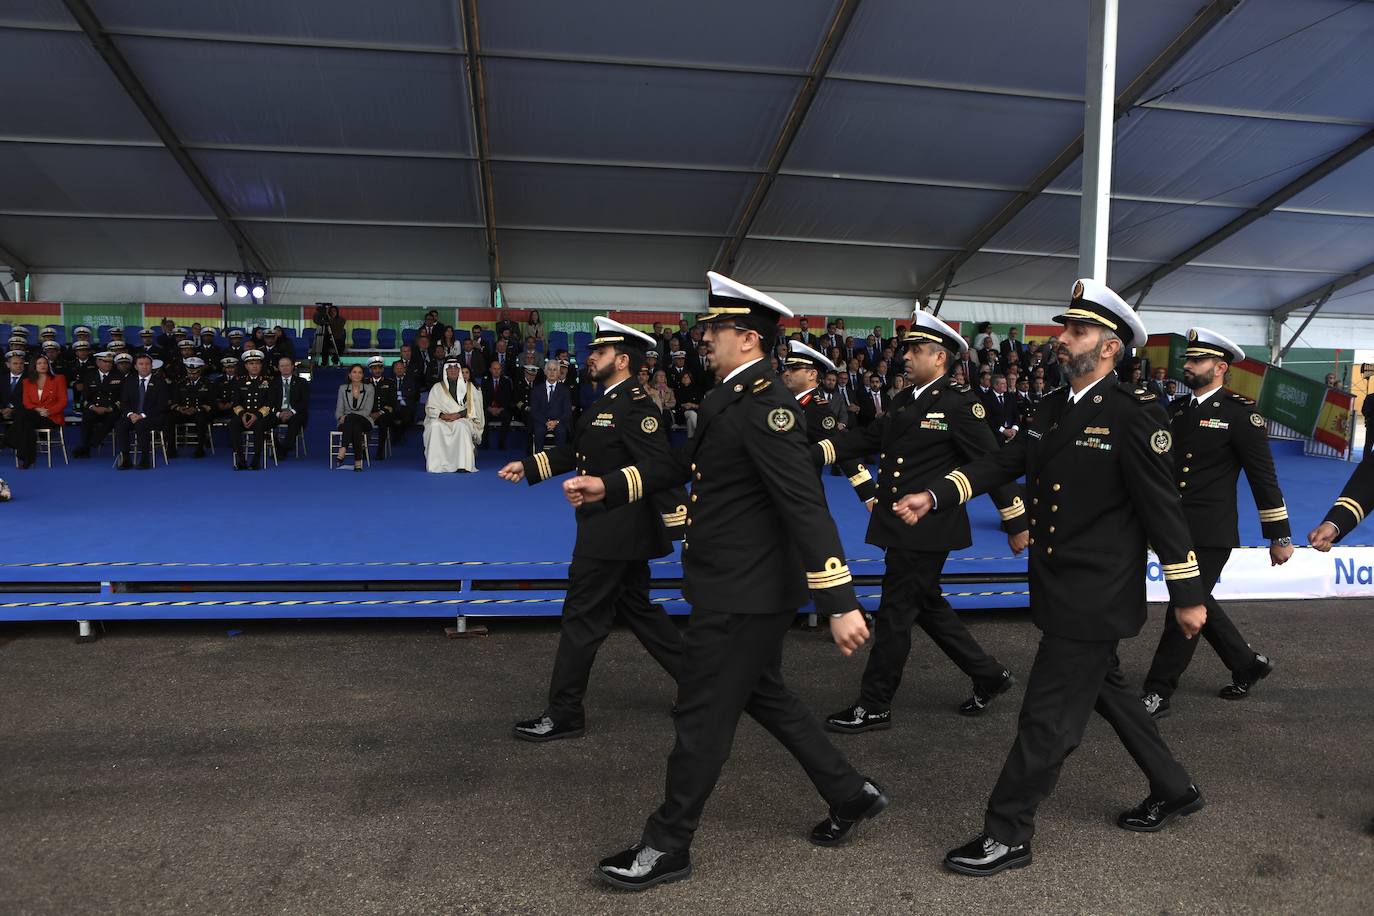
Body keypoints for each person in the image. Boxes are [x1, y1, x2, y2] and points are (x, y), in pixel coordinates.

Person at [566, 272, 885, 892]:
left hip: (746, 592)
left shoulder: (768, 407)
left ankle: (668, 843)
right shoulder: (724, 399)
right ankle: (851, 794)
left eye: (713, 330)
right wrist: (610, 486)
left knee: (702, 714)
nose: (703, 339)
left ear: (745, 338)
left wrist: (839, 600)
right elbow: (683, 468)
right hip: (729, 583)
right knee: (767, 696)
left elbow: (804, 505)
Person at [894, 279, 1209, 876]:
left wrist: (1187, 593)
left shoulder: (1134, 414)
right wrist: (936, 494)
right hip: (1060, 583)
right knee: (1110, 694)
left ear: (1110, 347)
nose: (1063, 340)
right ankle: (1174, 787)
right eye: (1066, 330)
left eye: (1078, 332)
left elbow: (1163, 509)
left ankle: (1008, 831)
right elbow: (1003, 460)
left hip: (1094, 594)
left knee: (1046, 716)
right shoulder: (1054, 406)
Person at [815, 311, 1027, 730]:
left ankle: (875, 703)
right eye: (907, 348)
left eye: (916, 350)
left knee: (895, 614)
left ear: (941, 358)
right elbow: (869, 439)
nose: (906, 356)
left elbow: (993, 463)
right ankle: (989, 674)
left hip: (929, 525)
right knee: (926, 605)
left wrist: (1015, 520)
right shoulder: (905, 399)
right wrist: (811, 453)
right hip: (902, 522)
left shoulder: (960, 403)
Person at [498, 317, 688, 742]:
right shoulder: (605, 400)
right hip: (612, 531)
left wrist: (685, 530)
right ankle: (703, 684)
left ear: (621, 360)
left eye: (598, 353)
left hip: (614, 533)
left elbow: (660, 471)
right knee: (639, 610)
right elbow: (579, 451)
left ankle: (564, 713)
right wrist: (531, 466)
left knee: (581, 618)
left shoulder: (637, 407)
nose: (590, 358)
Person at [1139, 329, 1291, 718]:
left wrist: (1279, 535)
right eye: (1187, 360)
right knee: (1198, 601)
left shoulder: (1241, 415)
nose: (1186, 366)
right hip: (1173, 526)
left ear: (1220, 367)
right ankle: (1247, 663)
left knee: (1183, 607)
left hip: (1210, 531)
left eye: (1196, 361)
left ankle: (1158, 691)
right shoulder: (1176, 410)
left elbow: (1264, 478)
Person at [780, 340, 876, 508]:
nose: (786, 373)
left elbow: (841, 448)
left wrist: (868, 493)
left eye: (793, 369)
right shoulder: (788, 403)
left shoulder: (816, 409)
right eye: (786, 368)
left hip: (801, 495)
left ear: (812, 375)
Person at [423, 357, 483, 472]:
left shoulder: (469, 387)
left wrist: (458, 415)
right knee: (435, 427)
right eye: (450, 368)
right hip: (441, 419)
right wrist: (442, 416)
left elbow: (474, 408)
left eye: (456, 368)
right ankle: (437, 465)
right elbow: (430, 408)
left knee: (461, 427)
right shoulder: (437, 388)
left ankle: (462, 465)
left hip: (462, 418)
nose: (453, 370)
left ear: (459, 370)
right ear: (445, 370)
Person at [10, 355, 67, 468]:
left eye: (45, 363)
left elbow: (63, 401)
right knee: (26, 424)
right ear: (34, 366)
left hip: (51, 417)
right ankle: (28, 460)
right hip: (34, 415)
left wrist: (48, 411)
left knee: (22, 415)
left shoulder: (58, 379)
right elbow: (26, 402)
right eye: (39, 363)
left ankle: (9, 439)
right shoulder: (27, 382)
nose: (43, 365)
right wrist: (37, 410)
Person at [114, 353, 168, 470]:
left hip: (153, 417)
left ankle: (144, 459)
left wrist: (142, 415)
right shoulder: (129, 381)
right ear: (135, 366)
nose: (144, 367)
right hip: (133, 416)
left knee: (141, 425)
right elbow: (124, 401)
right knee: (120, 425)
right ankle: (126, 459)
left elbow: (161, 405)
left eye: (147, 364)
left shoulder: (160, 383)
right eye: (141, 364)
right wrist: (130, 414)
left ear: (151, 366)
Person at [72, 351, 123, 458]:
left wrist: (110, 408)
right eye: (105, 361)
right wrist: (93, 407)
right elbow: (85, 397)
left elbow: (122, 397)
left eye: (110, 362)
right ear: (98, 362)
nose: (108, 364)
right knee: (87, 417)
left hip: (111, 408)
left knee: (113, 417)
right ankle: (86, 448)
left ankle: (92, 442)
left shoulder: (119, 375)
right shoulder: (90, 376)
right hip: (94, 407)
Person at [229, 351, 272, 470]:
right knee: (233, 425)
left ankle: (256, 460)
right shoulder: (239, 381)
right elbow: (236, 403)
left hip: (260, 416)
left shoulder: (268, 381)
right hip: (244, 415)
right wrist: (242, 414)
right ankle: (241, 460)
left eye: (257, 363)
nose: (254, 366)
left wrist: (257, 415)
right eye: (251, 363)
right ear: (246, 366)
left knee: (259, 426)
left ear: (261, 365)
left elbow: (270, 403)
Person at [168, 357, 215, 459]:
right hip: (184, 412)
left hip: (200, 412)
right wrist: (180, 408)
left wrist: (197, 408)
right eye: (190, 373)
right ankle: (171, 448)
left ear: (200, 371)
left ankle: (200, 448)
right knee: (169, 418)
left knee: (201, 418)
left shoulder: (208, 384)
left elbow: (211, 403)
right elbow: (174, 401)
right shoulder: (180, 383)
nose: (192, 375)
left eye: (195, 373)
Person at [528, 359, 573, 453]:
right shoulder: (537, 389)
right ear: (545, 372)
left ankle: (559, 460)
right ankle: (539, 461)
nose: (552, 373)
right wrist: (546, 422)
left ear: (558, 373)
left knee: (561, 432)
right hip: (541, 421)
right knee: (539, 431)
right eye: (549, 369)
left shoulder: (565, 390)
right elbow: (534, 411)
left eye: (554, 370)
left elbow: (567, 411)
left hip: (559, 422)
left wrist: (556, 422)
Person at [335, 364, 374, 472]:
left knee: (352, 419)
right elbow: (339, 410)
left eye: (360, 372)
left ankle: (343, 448)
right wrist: (340, 417)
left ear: (363, 375)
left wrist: (348, 416)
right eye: (354, 372)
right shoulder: (343, 388)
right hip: (347, 423)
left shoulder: (369, 388)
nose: (357, 375)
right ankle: (358, 462)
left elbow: (367, 411)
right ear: (349, 374)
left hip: (365, 420)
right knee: (356, 427)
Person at [269, 355, 309, 458]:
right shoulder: (273, 383)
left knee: (296, 421)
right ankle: (278, 447)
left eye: (287, 365)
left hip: (295, 413)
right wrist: (279, 413)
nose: (285, 368)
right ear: (278, 368)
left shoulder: (302, 382)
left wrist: (291, 412)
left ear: (292, 367)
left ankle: (284, 450)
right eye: (282, 366)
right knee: (264, 422)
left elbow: (304, 402)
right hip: (278, 412)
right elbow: (270, 402)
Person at [365, 356, 397, 460]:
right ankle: (362, 450)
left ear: (383, 369)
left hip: (384, 413)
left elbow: (392, 402)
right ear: (370, 370)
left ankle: (380, 450)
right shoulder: (364, 383)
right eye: (374, 368)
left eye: (379, 368)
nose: (377, 370)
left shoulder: (390, 382)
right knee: (362, 422)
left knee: (384, 422)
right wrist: (369, 414)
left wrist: (380, 412)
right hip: (368, 413)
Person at [481, 360, 515, 449]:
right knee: (483, 416)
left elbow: (509, 398)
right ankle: (485, 444)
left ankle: (501, 443)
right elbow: (482, 398)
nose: (496, 371)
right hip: (488, 409)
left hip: (501, 409)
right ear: (490, 370)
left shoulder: (506, 382)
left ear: (501, 370)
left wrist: (500, 409)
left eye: (498, 369)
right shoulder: (485, 381)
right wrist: (489, 408)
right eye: (494, 369)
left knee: (507, 416)